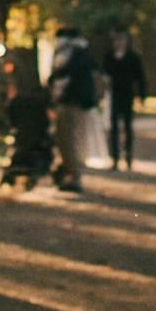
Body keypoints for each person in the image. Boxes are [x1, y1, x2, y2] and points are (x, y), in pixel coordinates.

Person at [46, 24, 100, 191]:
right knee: (64, 140)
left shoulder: (75, 54)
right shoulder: (76, 52)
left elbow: (64, 75)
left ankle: (74, 177)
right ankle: (67, 173)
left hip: (71, 103)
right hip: (66, 102)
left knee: (69, 141)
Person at [0, 59, 54, 189]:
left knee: (21, 145)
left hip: (23, 135)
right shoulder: (40, 100)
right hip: (36, 137)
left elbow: (11, 119)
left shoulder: (18, 101)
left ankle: (12, 174)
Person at [101, 27, 146, 171]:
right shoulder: (108, 57)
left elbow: (140, 77)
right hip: (114, 96)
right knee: (113, 128)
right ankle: (114, 157)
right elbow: (104, 76)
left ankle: (128, 156)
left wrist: (141, 95)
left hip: (127, 96)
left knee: (127, 127)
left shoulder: (133, 58)